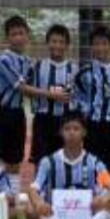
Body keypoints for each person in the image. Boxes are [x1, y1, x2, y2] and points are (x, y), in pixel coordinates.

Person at [26, 113, 110, 219]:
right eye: (67, 129)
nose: (71, 133)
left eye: (76, 129)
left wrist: (103, 199)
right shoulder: (48, 162)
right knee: (29, 209)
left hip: (87, 218)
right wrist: (39, 203)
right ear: (61, 132)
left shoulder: (94, 163)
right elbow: (33, 189)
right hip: (56, 218)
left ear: (84, 132)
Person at [0, 15, 34, 196]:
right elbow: (22, 87)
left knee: (14, 161)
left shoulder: (29, 62)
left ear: (27, 35)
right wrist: (53, 95)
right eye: (13, 34)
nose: (18, 37)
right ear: (7, 38)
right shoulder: (3, 58)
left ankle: (13, 205)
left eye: (21, 33)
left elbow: (32, 88)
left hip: (17, 114)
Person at [73, 25, 110, 174]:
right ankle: (97, 195)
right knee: (92, 166)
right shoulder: (85, 72)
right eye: (96, 44)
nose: (100, 47)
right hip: (92, 126)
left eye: (104, 43)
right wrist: (83, 116)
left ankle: (107, 195)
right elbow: (76, 97)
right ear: (92, 46)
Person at [29, 24, 78, 167]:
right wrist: (48, 95)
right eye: (54, 41)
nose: (57, 45)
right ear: (47, 43)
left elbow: (79, 97)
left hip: (66, 121)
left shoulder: (74, 69)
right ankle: (40, 189)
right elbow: (26, 89)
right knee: (41, 161)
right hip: (43, 121)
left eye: (61, 42)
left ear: (67, 45)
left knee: (65, 162)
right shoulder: (37, 67)